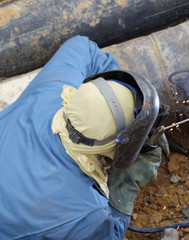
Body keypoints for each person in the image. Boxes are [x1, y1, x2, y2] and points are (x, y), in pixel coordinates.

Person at [0, 35, 166, 239]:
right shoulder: (87, 213)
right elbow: (109, 235)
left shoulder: (52, 90)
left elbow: (81, 45)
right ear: (113, 142)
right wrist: (125, 187)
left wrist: (111, 94)